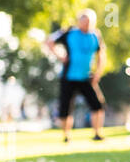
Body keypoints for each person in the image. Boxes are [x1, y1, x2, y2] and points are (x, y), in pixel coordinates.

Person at [44, 9, 107, 143]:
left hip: (86, 77)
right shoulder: (69, 33)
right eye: (83, 21)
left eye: (89, 21)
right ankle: (66, 135)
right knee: (65, 107)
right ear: (79, 21)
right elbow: (49, 41)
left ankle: (97, 133)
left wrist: (98, 73)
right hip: (69, 77)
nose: (86, 24)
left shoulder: (95, 36)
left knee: (98, 105)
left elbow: (101, 55)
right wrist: (60, 56)